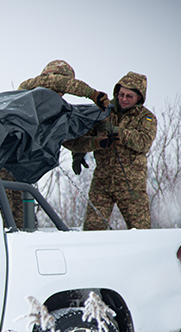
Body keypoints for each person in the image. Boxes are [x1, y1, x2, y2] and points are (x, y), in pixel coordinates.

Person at [0, 60, 110, 228]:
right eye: (61, 89)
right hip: (1, 168)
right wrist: (92, 94)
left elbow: (69, 139)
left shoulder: (53, 112)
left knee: (21, 225)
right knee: (2, 220)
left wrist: (94, 144)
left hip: (22, 175)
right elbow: (54, 82)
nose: (61, 93)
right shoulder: (29, 90)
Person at [65, 71, 157, 230]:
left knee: (140, 230)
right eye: (121, 94)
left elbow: (144, 142)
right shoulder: (103, 112)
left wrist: (116, 132)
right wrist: (78, 154)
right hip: (102, 181)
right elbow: (85, 133)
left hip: (131, 184)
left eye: (129, 96)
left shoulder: (146, 118)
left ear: (139, 98)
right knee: (92, 230)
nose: (124, 99)